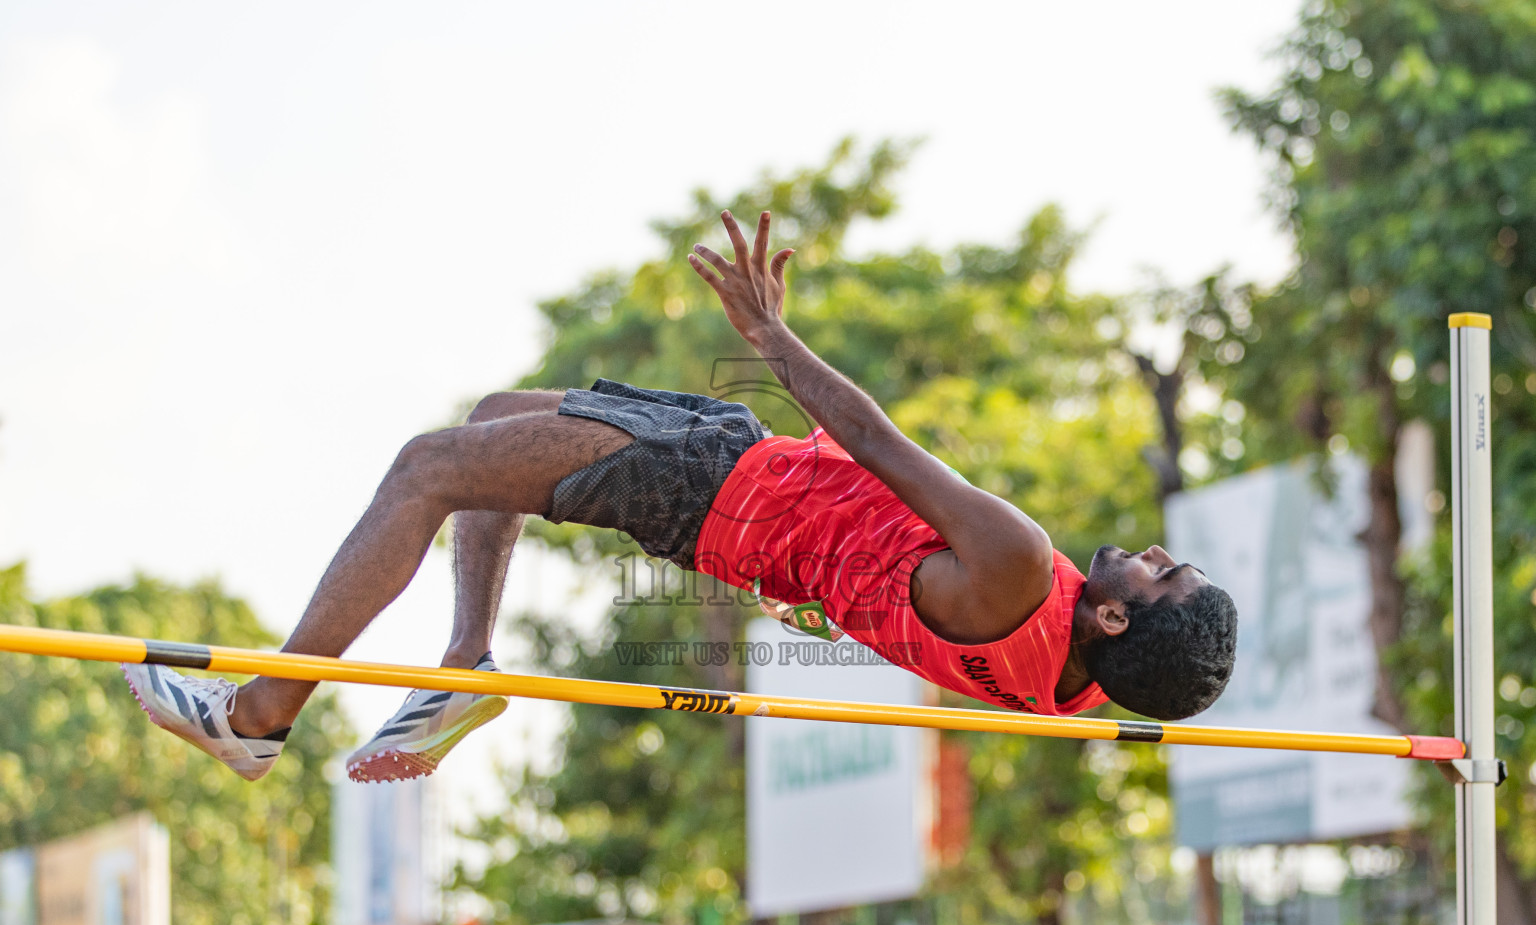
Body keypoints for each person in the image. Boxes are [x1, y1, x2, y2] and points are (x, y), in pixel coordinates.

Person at [124, 211, 1238, 783]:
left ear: (1112, 616)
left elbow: (871, 434)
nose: (1145, 549)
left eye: (1157, 571)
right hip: (750, 490)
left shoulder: (1014, 562)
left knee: (429, 465)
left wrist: (769, 336)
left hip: (726, 492)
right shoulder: (1066, 691)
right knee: (497, 409)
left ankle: (260, 718)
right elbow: (1147, 687)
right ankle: (465, 660)